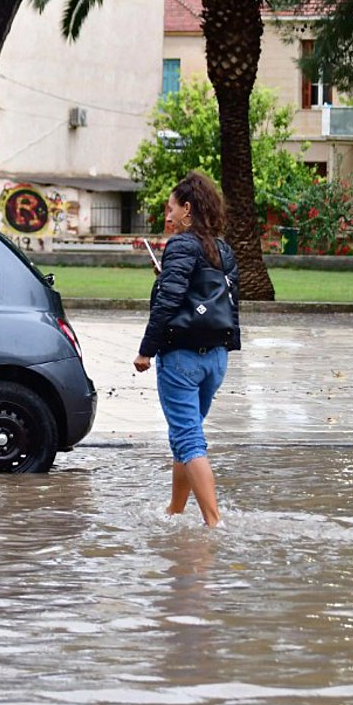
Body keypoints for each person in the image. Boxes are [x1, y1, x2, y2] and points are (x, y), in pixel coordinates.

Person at [133, 172, 240, 528]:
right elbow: (224, 300)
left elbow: (169, 302)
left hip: (181, 357)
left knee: (189, 438)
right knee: (185, 432)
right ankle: (175, 510)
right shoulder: (223, 249)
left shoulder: (180, 245)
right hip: (216, 359)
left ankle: (214, 523)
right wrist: (165, 276)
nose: (168, 215)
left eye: (171, 208)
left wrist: (146, 351)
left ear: (188, 209)